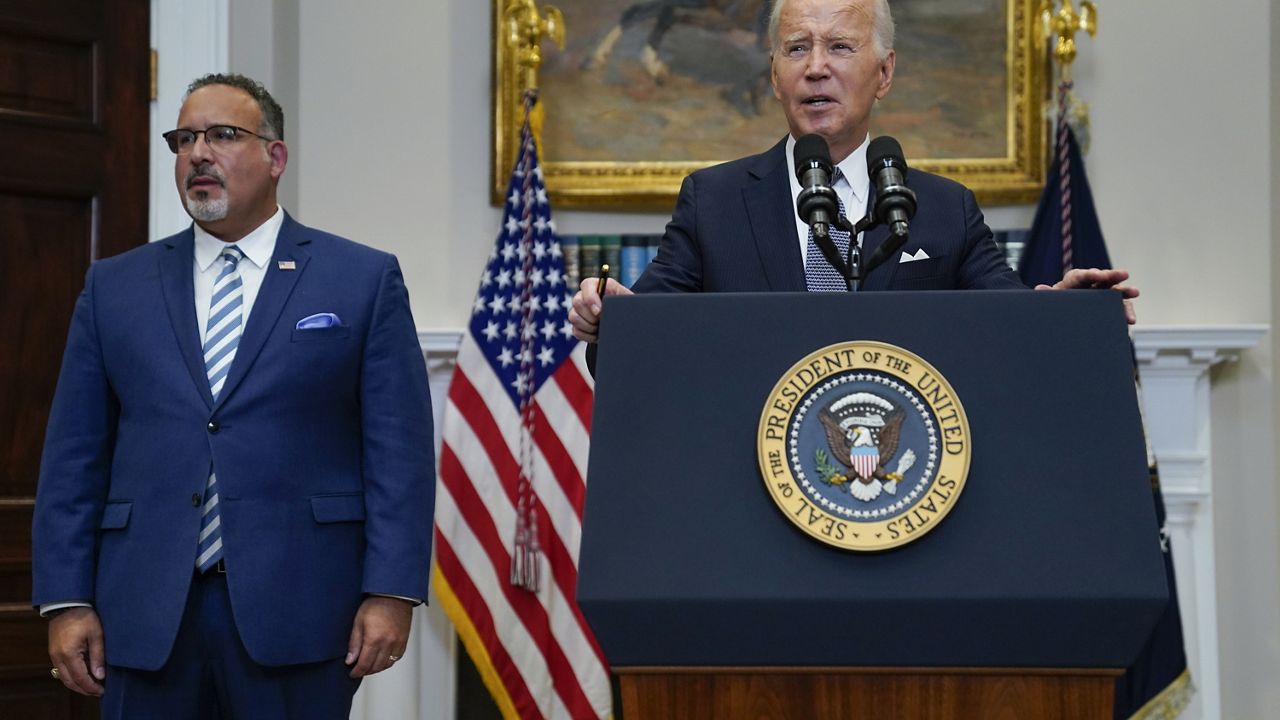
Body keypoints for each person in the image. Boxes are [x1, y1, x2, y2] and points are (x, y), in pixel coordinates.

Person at [31, 73, 435, 719]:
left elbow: (399, 452)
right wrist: (65, 598)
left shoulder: (360, 278)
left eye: (223, 135)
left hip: (302, 607)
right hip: (143, 611)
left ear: (274, 157)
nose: (198, 153)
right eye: (184, 138)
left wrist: (391, 591)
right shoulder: (116, 286)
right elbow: (75, 454)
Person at [570, 0, 1137, 343]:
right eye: (796, 49)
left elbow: (1010, 325)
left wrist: (1064, 310)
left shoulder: (945, 209)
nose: (816, 68)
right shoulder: (712, 201)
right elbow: (638, 335)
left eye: (840, 47)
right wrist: (607, 318)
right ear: (773, 75)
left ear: (884, 73)